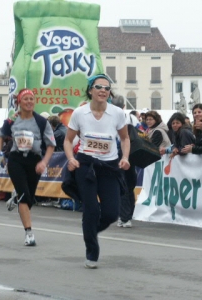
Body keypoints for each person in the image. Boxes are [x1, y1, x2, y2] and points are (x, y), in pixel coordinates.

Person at [63, 74, 130, 269]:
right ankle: (92, 251)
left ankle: (89, 231)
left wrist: (125, 157)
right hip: (86, 165)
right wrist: (71, 159)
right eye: (98, 86)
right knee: (91, 210)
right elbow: (67, 140)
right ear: (90, 90)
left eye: (107, 88)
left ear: (110, 93)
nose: (103, 90)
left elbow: (125, 139)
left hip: (109, 166)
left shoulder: (117, 113)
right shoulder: (79, 113)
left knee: (111, 213)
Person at [0, 88, 56, 246]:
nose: (29, 102)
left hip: (34, 161)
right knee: (25, 197)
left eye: (31, 99)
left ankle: (16, 197)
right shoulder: (12, 121)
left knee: (29, 199)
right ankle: (29, 233)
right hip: (16, 160)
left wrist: (44, 162)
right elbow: (0, 136)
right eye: (26, 99)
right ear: (19, 102)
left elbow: (51, 145)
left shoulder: (42, 122)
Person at [110, 94, 137, 229]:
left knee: (124, 187)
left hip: (120, 154)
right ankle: (127, 215)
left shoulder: (112, 118)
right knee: (129, 186)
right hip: (131, 154)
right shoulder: (132, 118)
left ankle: (125, 217)